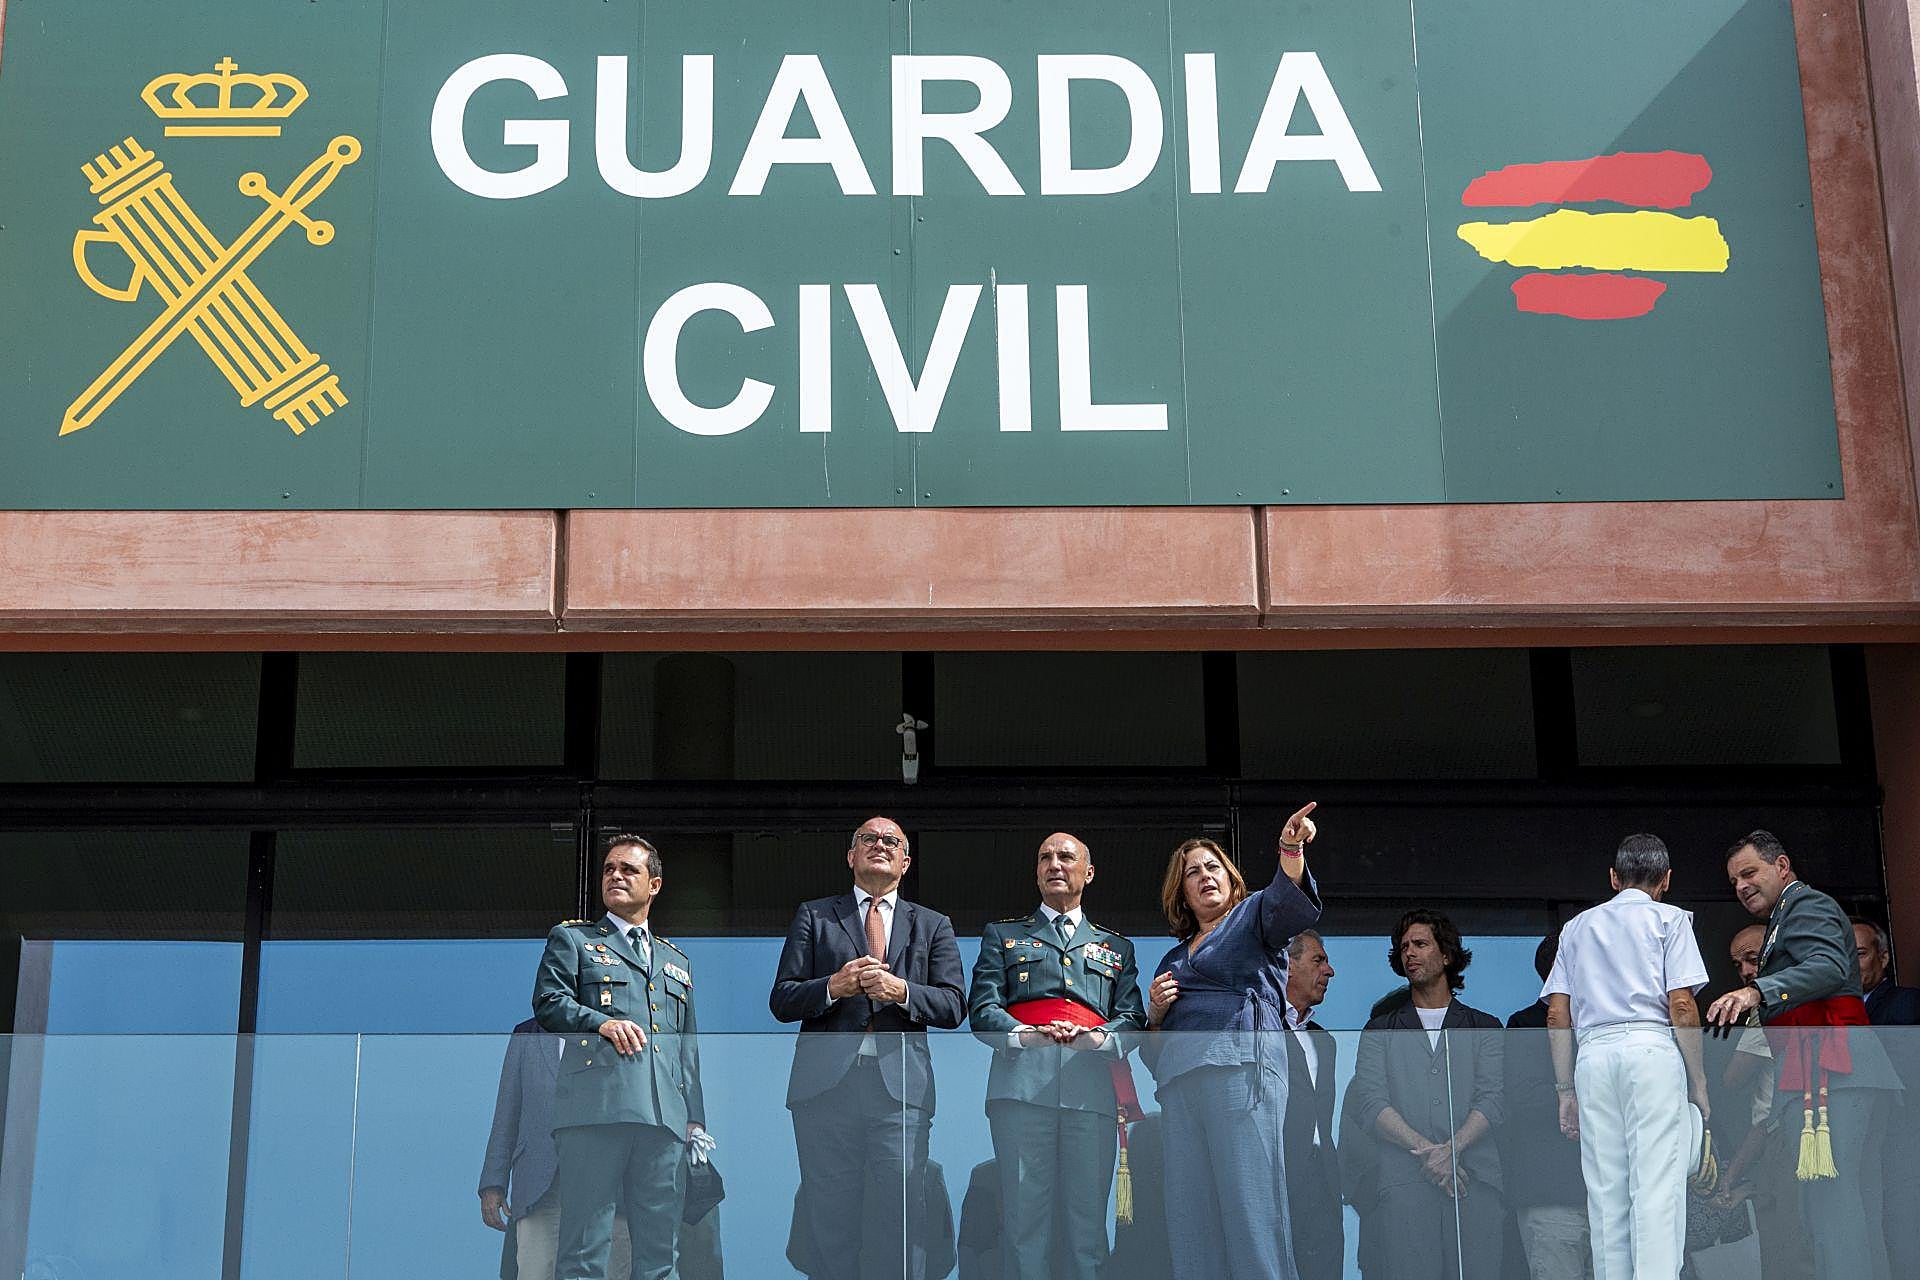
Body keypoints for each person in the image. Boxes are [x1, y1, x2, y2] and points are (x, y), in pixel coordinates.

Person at [769, 817, 967, 1280]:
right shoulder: (815, 915)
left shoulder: (933, 924)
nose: (879, 845)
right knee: (830, 1218)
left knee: (898, 1220)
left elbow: (955, 1004)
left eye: (890, 841)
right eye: (868, 839)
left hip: (899, 1095)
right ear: (851, 856)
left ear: (905, 861)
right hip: (825, 1092)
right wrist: (834, 987)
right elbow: (782, 999)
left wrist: (902, 991)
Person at [1705, 831, 1903, 1280]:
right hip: (1833, 1071)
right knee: (1855, 1209)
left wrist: (1757, 990)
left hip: (1835, 1070)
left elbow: (1831, 967)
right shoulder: (1786, 913)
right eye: (1735, 879)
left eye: (1750, 872)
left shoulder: (1804, 904)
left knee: (1831, 1208)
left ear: (1782, 865)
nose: (1741, 886)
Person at [1141, 803, 1323, 1280]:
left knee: (1252, 1213)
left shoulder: (1253, 916)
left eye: (1212, 866)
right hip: (1180, 1087)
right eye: (1191, 874)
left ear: (1230, 876)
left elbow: (1287, 901)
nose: (1204, 876)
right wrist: (1155, 1015)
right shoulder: (1172, 957)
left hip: (1242, 1074)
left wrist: (1290, 848)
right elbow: (1151, 1053)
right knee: (1190, 1224)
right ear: (1180, 893)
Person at [967, 831, 1146, 1280]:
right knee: (1025, 1228)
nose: (1054, 864)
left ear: (1088, 872)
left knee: (1088, 1230)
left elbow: (1133, 1018)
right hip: (1022, 1088)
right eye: (1045, 857)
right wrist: (1024, 1034)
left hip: (1091, 1094)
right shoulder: (1003, 935)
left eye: (1066, 857)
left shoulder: (1116, 947)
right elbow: (983, 1008)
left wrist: (1096, 1039)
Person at [533, 834, 710, 1280]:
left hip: (662, 1119)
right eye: (610, 869)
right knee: (584, 1250)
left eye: (629, 870)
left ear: (654, 885)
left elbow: (686, 1047)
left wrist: (695, 1119)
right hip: (596, 1111)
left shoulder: (677, 960)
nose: (615, 876)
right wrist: (600, 1022)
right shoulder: (573, 939)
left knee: (660, 1255)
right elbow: (548, 1002)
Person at [1543, 833, 1710, 1280]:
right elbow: (1681, 1004)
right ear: (1667, 880)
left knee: (1604, 1189)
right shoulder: (1671, 920)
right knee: (1656, 1184)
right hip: (1651, 1048)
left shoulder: (1576, 928)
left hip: (1593, 1055)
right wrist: (1698, 1081)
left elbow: (1557, 1013)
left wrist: (1564, 1090)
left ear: (1614, 878)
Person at [1348, 909, 1504, 1280]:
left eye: (1420, 944)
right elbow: (1370, 1102)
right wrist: (1431, 1153)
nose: (1409, 954)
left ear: (1447, 955)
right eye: (1403, 947)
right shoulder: (1380, 1028)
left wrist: (1453, 1149)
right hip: (1404, 1185)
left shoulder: (1484, 1025)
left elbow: (1495, 1097)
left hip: (1474, 1181)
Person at [479, 1018, 635, 1280]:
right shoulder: (527, 1033)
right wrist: (493, 1183)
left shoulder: (622, 1027)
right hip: (541, 1185)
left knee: (611, 1270)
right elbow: (508, 1111)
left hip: (608, 1186)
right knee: (535, 1270)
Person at [1715, 925, 1812, 1280]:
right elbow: (1763, 1116)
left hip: (1791, 1140)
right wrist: (1734, 1174)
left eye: (1753, 959)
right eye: (1738, 964)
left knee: (1791, 1251)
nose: (1745, 971)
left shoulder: (1773, 1006)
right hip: (1778, 1137)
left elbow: (1734, 1079)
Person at [1501, 935, 1590, 1280]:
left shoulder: (1606, 1021)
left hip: (1609, 1194)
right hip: (1552, 1194)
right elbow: (1524, 1097)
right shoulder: (1524, 1024)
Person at [1853, 916, 1920, 1280]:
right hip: (1863, 1144)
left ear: (1883, 957)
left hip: (1902, 1135)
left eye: (1860, 953)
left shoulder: (1905, 1002)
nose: (1851, 962)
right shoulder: (1830, 1012)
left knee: (1903, 1231)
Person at [1281, 930, 1342, 1280]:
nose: (1329, 971)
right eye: (1319, 960)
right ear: (1287, 966)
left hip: (1323, 1181)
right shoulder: (1258, 1027)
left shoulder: (1326, 1040)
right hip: (1278, 1180)